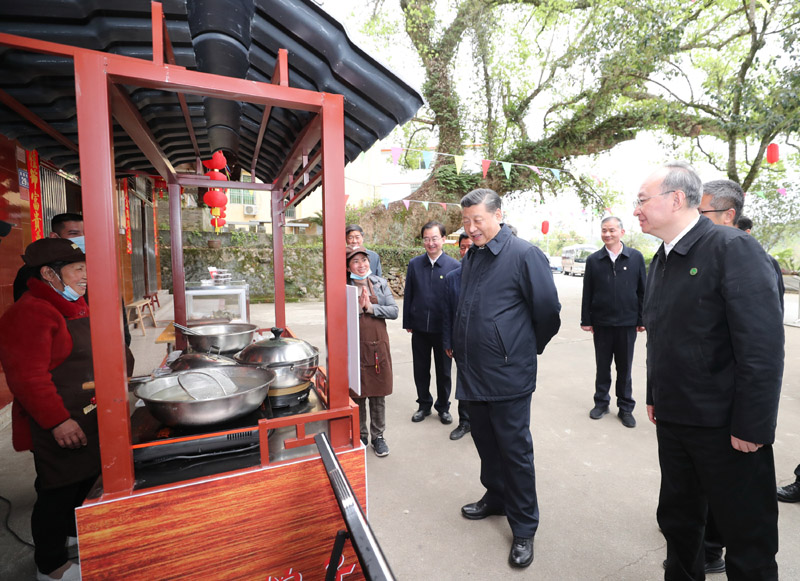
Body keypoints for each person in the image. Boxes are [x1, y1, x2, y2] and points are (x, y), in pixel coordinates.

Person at [635, 161, 783, 580]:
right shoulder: (662, 257)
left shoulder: (732, 248)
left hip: (727, 428)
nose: (636, 210)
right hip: (676, 420)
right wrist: (653, 394)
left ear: (677, 199)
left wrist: (753, 426)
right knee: (679, 523)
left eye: (643, 201)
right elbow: (663, 335)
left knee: (746, 536)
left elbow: (762, 347)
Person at [453, 189, 561, 569]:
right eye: (466, 221)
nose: (471, 228)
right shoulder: (473, 256)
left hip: (507, 374)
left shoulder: (524, 254)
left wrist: (520, 348)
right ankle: (495, 497)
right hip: (473, 372)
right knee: (485, 443)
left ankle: (525, 527)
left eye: (477, 220)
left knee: (514, 452)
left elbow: (548, 312)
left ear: (498, 214)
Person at [0, 238, 96, 581]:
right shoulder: (30, 312)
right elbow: (27, 377)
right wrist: (58, 421)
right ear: (49, 274)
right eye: (78, 269)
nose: (86, 276)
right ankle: (51, 565)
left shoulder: (71, 305)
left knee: (83, 481)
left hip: (85, 412)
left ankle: (72, 534)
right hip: (57, 419)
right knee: (57, 489)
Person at [14, 213, 133, 352]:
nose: (82, 238)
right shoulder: (31, 274)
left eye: (85, 233)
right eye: (74, 233)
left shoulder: (100, 265)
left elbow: (116, 303)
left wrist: (123, 341)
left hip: (103, 349)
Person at [580, 216, 645, 428]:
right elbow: (587, 292)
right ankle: (601, 403)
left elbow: (643, 291)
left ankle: (626, 408)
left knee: (625, 368)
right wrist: (586, 319)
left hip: (627, 324)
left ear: (622, 232)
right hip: (602, 323)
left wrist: (642, 319)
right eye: (604, 231)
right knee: (603, 366)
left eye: (612, 230)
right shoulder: (594, 260)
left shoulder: (635, 258)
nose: (607, 234)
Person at [403, 221, 460, 425]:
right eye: (426, 239)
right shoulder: (415, 264)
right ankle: (424, 404)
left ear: (443, 239)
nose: (430, 243)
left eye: (435, 238)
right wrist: (408, 320)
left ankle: (443, 407)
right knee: (420, 368)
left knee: (444, 371)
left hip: (443, 330)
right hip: (419, 328)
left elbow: (456, 301)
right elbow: (408, 294)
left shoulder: (454, 266)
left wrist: (453, 332)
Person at [346, 244, 398, 457]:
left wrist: (370, 308)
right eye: (355, 261)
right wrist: (357, 308)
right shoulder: (344, 286)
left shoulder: (380, 283)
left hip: (377, 344)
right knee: (357, 391)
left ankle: (378, 436)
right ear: (349, 265)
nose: (361, 265)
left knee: (378, 392)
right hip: (354, 344)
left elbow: (394, 311)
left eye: (364, 260)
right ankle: (361, 434)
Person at [442, 232, 473, 440]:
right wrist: (448, 341)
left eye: (470, 246)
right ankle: (465, 422)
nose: (466, 251)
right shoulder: (453, 277)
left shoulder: (492, 275)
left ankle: (485, 425)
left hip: (486, 341)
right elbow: (446, 312)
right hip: (460, 341)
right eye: (463, 247)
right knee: (464, 382)